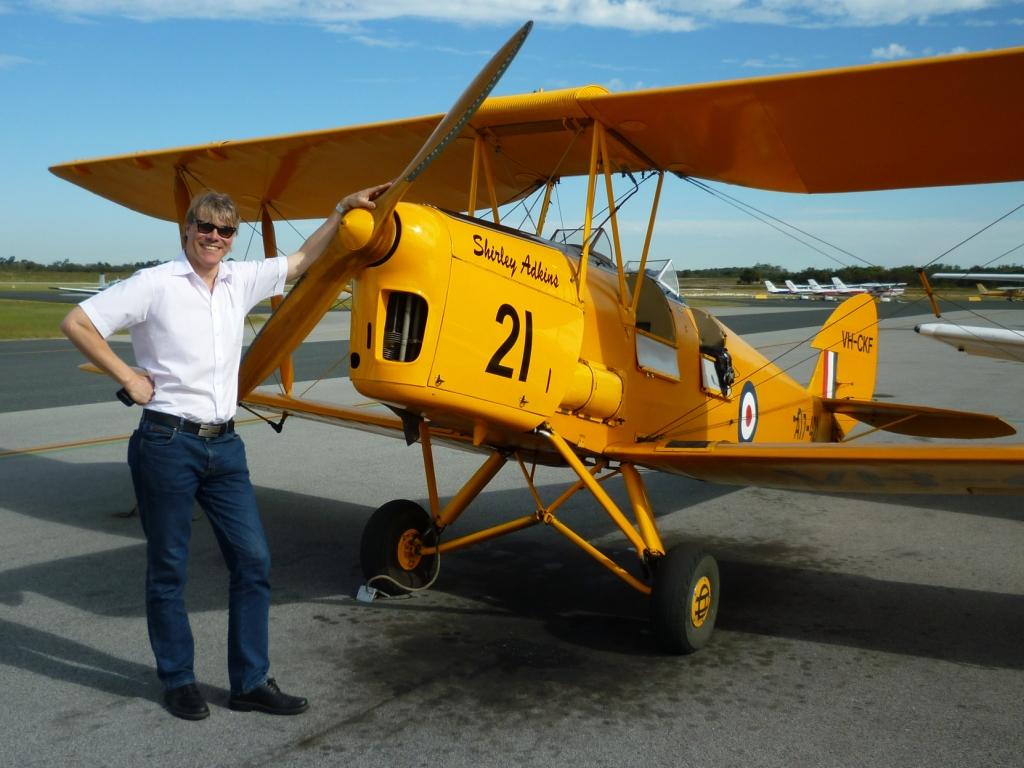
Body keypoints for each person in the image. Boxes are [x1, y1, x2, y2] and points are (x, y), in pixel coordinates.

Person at [61, 182, 390, 720]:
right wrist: (127, 376)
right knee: (169, 567)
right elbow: (78, 322)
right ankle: (178, 679)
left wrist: (339, 210)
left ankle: (250, 681)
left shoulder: (239, 279)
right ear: (187, 229)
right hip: (167, 442)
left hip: (225, 445)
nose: (214, 236)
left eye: (225, 230)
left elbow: (302, 261)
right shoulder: (155, 283)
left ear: (233, 238)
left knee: (253, 560)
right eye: (205, 226)